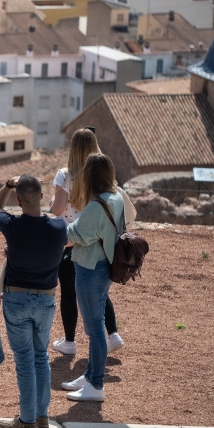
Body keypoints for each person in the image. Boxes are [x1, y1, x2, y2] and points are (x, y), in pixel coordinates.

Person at [0, 175, 67, 428]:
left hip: (17, 298)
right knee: (41, 357)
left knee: (24, 360)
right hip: (46, 298)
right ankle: (41, 417)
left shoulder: (12, 225)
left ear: (19, 201)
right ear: (42, 197)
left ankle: (26, 420)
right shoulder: (59, 228)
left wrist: (8, 187)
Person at [50, 128, 123, 356]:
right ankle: (113, 334)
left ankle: (70, 342)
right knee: (99, 290)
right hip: (96, 240)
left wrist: (54, 198)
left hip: (69, 240)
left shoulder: (64, 175)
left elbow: (57, 209)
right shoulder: (101, 177)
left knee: (69, 292)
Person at [62, 153, 125, 402]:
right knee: (96, 326)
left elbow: (72, 236)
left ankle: (96, 385)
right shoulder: (116, 196)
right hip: (105, 265)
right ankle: (90, 376)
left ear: (89, 177)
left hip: (90, 268)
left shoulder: (96, 207)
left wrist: (55, 226)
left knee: (95, 330)